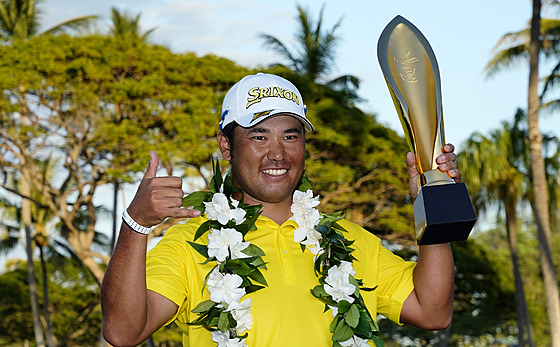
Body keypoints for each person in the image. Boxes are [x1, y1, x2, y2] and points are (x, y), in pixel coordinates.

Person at [101, 73, 459, 346]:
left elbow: (433, 311)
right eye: (259, 137)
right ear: (226, 145)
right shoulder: (187, 244)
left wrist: (431, 203)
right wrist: (136, 224)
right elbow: (123, 331)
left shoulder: (349, 242)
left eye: (290, 136)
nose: (278, 153)